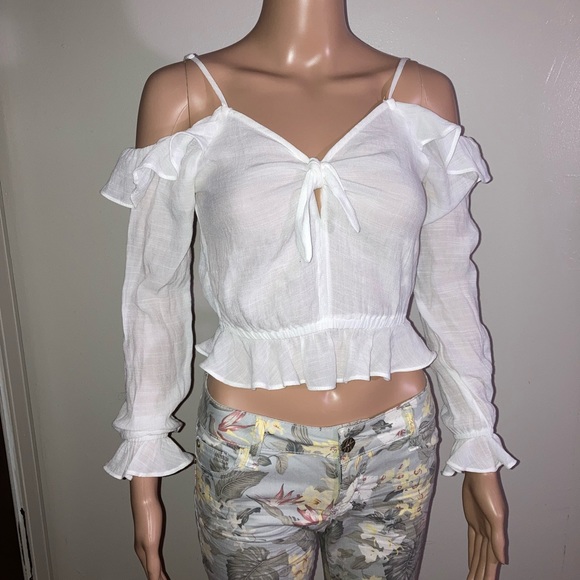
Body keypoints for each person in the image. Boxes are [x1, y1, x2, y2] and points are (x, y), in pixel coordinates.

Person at [101, 1, 517, 578]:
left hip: (396, 441)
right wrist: (145, 456)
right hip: (250, 446)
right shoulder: (186, 94)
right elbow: (156, 293)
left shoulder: (420, 96)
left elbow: (449, 283)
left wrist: (477, 440)